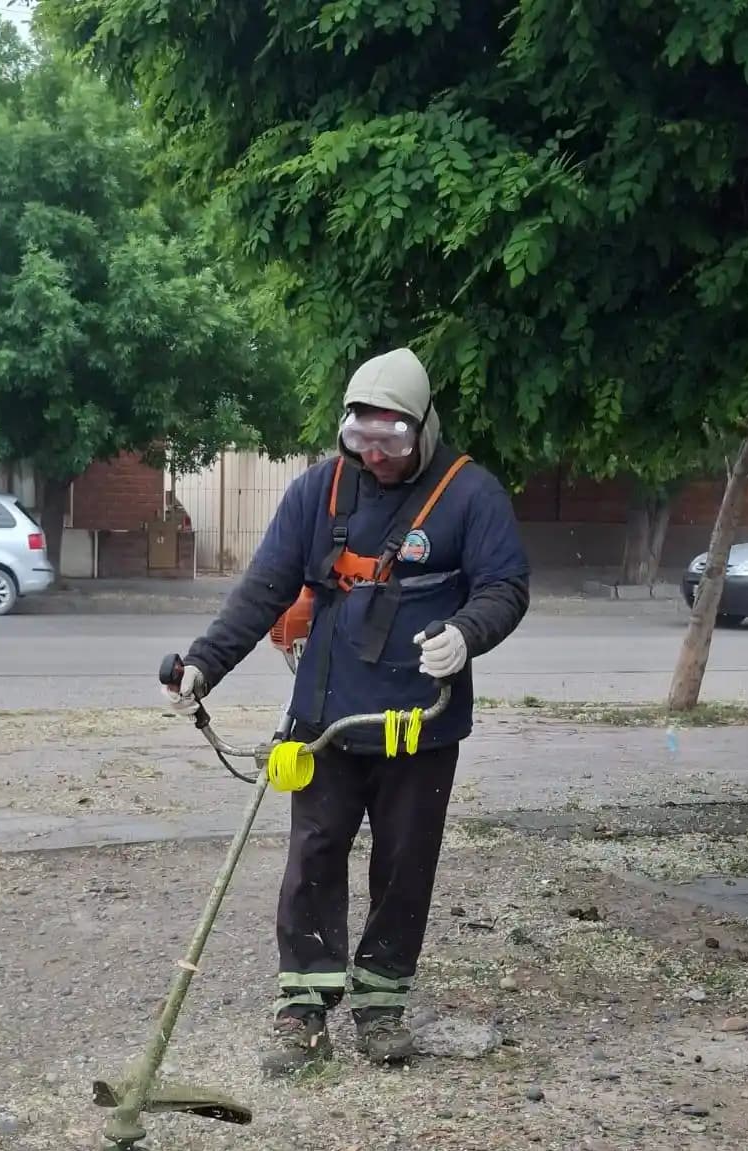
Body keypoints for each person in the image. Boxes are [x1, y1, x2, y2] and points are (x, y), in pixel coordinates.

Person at [164, 348, 529, 1077]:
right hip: (324, 718)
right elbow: (265, 588)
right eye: (361, 438)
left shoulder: (470, 494)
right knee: (313, 859)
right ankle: (303, 1010)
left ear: (422, 429)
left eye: (391, 441)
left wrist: (466, 633)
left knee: (404, 866)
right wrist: (205, 663)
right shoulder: (316, 493)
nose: (376, 456)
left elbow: (505, 587)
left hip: (420, 724)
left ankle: (382, 1003)